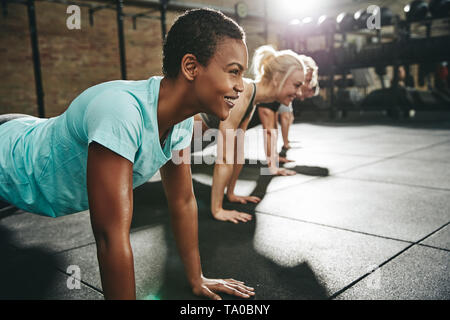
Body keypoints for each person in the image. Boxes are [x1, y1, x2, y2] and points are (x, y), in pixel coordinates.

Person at [0, 8, 255, 300]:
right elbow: (110, 238)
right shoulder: (121, 113)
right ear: (191, 67)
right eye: (234, 71)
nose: (241, 86)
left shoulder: (181, 121)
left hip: (25, 131)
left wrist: (197, 278)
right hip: (8, 158)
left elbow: (183, 201)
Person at [194, 45, 308, 224]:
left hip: (191, 144)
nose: (299, 92)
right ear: (278, 78)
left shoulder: (251, 98)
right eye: (296, 85)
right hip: (168, 137)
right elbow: (224, 157)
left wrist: (230, 194)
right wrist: (217, 209)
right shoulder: (242, 93)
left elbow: (238, 154)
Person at [257, 55, 319, 163]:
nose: (308, 87)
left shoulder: (274, 98)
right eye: (306, 81)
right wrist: (273, 165)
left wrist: (274, 157)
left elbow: (272, 127)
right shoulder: (261, 96)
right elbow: (269, 130)